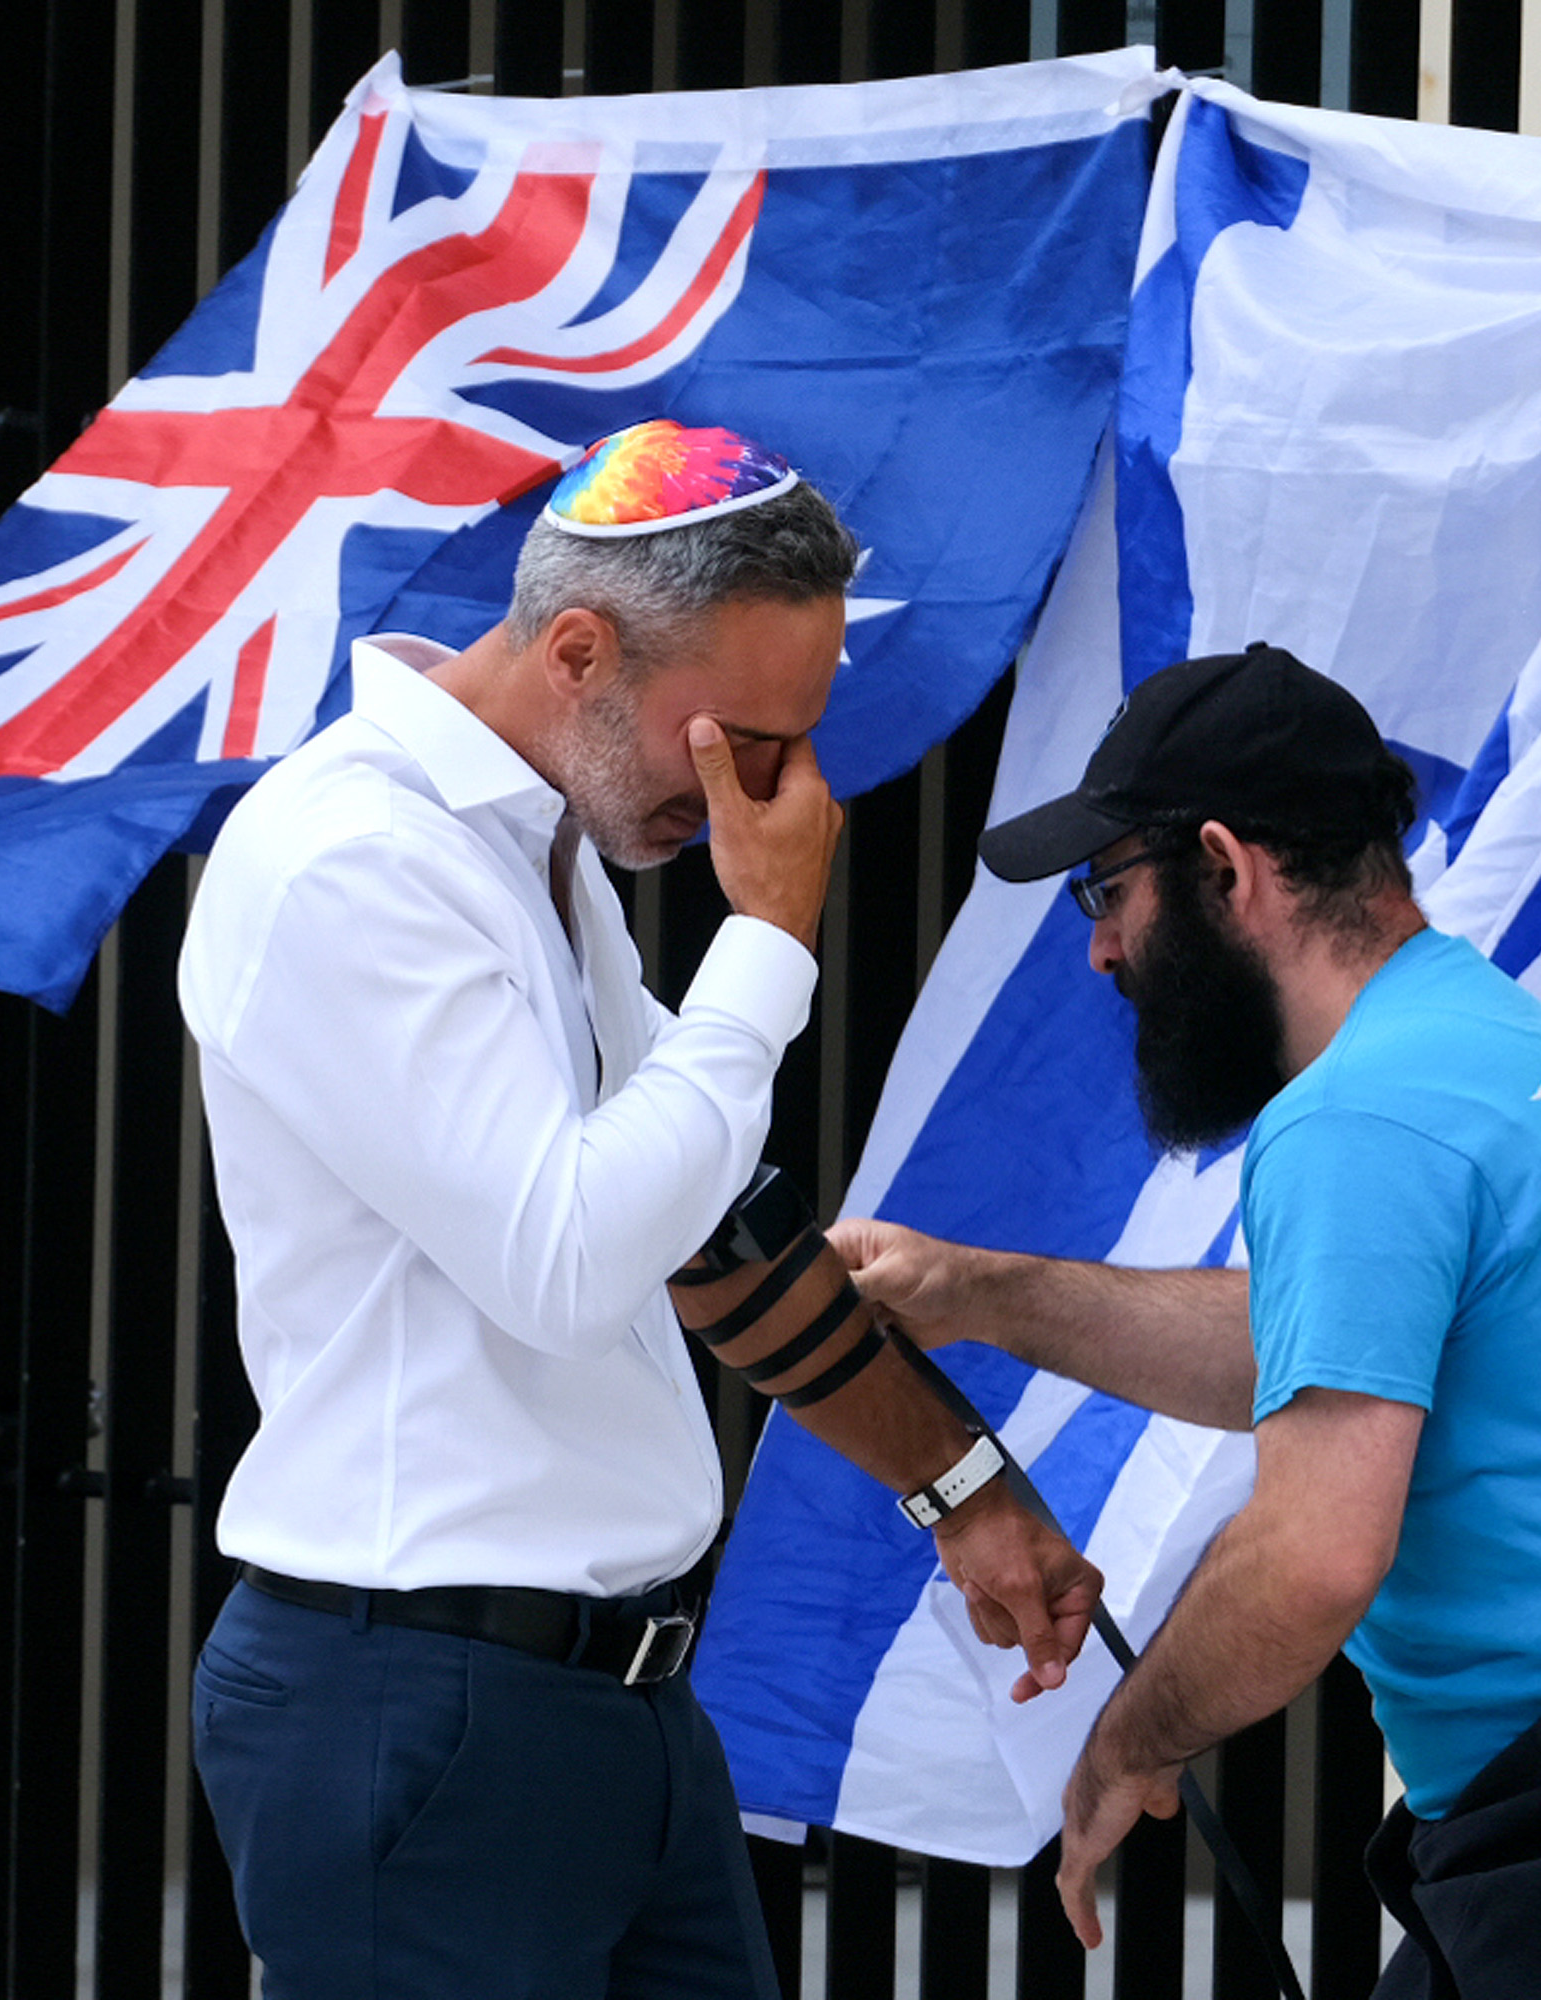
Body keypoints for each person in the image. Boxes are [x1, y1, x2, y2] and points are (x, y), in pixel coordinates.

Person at [833, 643, 1541, 1998]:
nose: (1099, 947)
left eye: (1111, 892)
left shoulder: (1360, 1117)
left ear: (1225, 868)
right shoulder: (1481, 1035)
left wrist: (1129, 1741)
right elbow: (1324, 1345)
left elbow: (1313, 1560)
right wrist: (983, 1294)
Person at [177, 418, 1100, 2000]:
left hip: (609, 1713)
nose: (774, 792)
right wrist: (770, 945)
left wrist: (966, 1490)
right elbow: (571, 1256)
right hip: (424, 1706)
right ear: (583, 651)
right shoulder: (351, 857)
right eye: (739, 737)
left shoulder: (534, 845)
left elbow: (708, 1230)